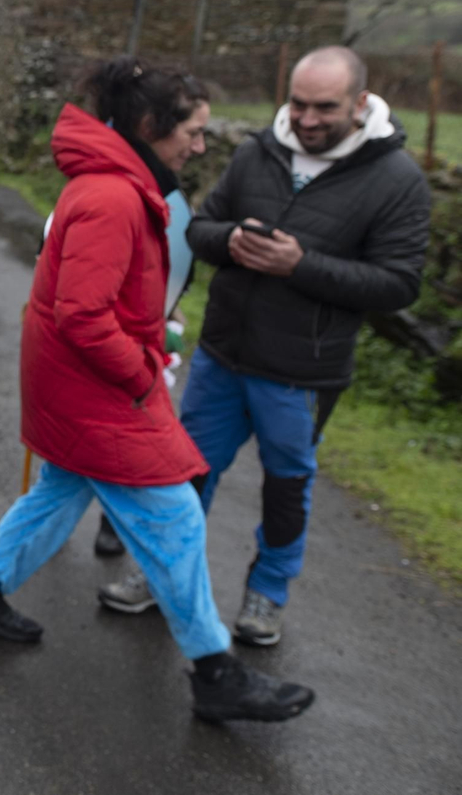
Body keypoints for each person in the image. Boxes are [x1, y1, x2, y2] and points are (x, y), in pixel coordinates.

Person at [0, 57, 315, 723]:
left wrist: (150, 335)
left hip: (78, 381)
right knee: (173, 515)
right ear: (150, 126)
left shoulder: (116, 184)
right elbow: (84, 315)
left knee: (59, 492)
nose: (200, 145)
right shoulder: (113, 195)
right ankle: (214, 669)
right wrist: (142, 370)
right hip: (97, 387)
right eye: (192, 131)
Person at [102, 46, 430, 646]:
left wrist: (301, 265)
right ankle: (164, 575)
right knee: (184, 472)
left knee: (285, 484)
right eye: (298, 103)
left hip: (303, 371)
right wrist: (230, 239)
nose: (306, 119)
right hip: (224, 354)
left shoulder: (397, 179)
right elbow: (199, 229)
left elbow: (399, 284)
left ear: (360, 103)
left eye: (324, 108)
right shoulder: (259, 150)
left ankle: (267, 594)